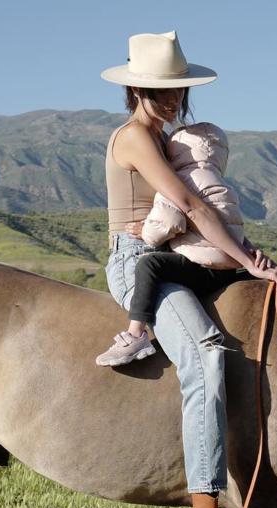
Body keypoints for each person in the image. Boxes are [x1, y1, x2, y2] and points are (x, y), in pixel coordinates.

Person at [98, 31, 277, 508]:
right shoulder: (134, 136)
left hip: (180, 247)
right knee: (206, 355)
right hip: (140, 258)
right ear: (135, 88)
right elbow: (185, 202)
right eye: (162, 89)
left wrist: (246, 254)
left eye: (178, 88)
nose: (174, 98)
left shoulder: (169, 138)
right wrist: (247, 259)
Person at [96, 120, 263, 366]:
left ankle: (135, 334)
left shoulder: (181, 181)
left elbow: (170, 220)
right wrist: (248, 257)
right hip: (227, 267)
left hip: (198, 263)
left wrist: (146, 232)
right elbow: (229, 225)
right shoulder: (225, 186)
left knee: (150, 265)